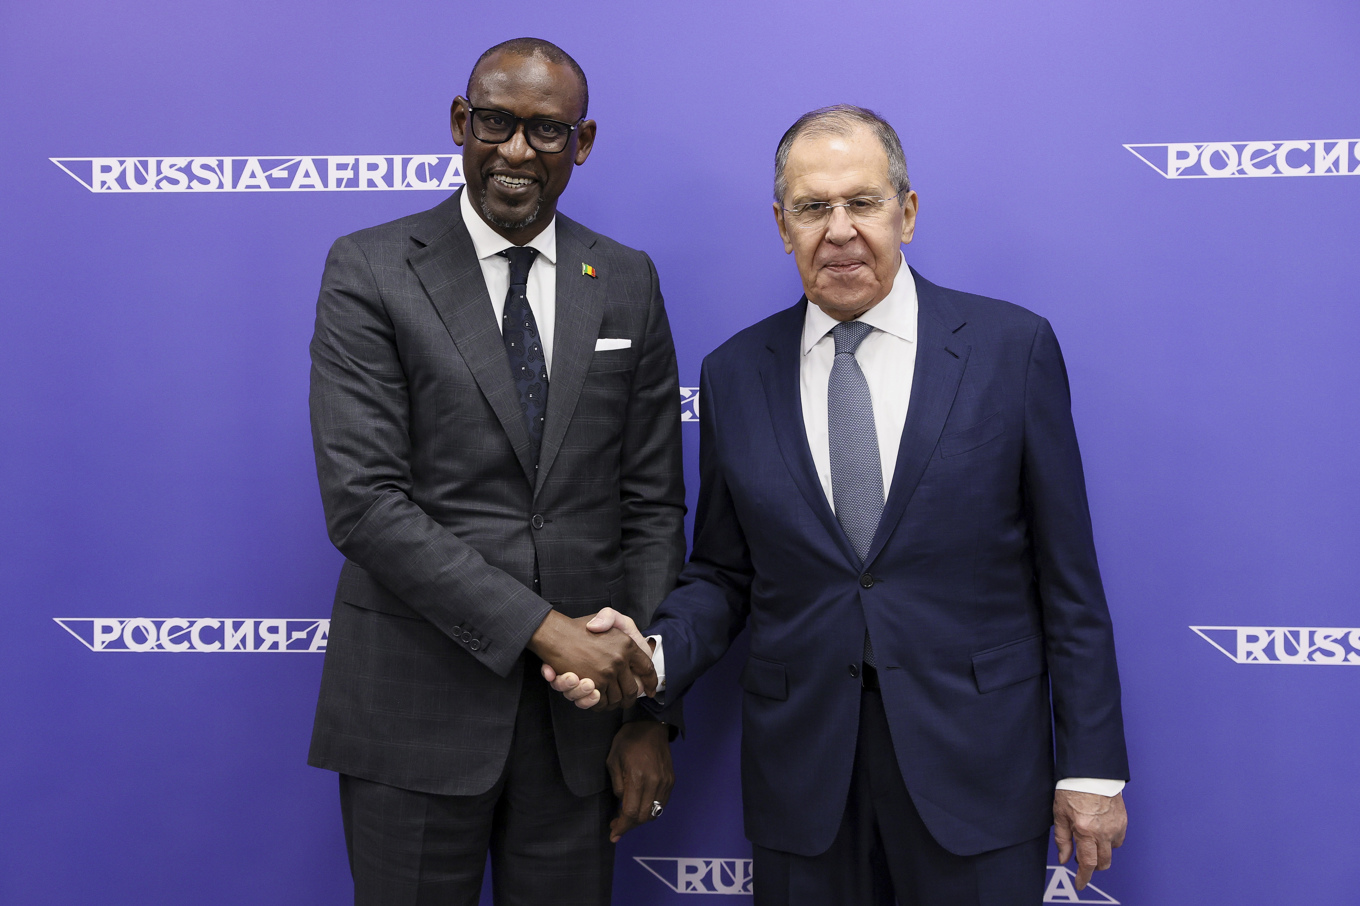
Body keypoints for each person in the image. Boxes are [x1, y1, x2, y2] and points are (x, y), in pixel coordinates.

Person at [551, 105, 1130, 906]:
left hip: (978, 773)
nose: (840, 230)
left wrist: (1092, 769)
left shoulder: (1011, 349)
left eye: (863, 202)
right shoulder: (734, 374)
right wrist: (650, 656)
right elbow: (724, 572)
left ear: (908, 212)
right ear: (781, 225)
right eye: (813, 207)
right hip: (804, 781)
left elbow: (1068, 579)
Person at [306, 37, 684, 906]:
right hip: (413, 714)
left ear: (581, 144)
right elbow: (364, 503)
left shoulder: (626, 279)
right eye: (495, 123)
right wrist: (544, 627)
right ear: (458, 123)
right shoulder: (368, 268)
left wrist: (644, 709)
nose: (516, 151)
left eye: (546, 132)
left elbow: (654, 505)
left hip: (579, 730)